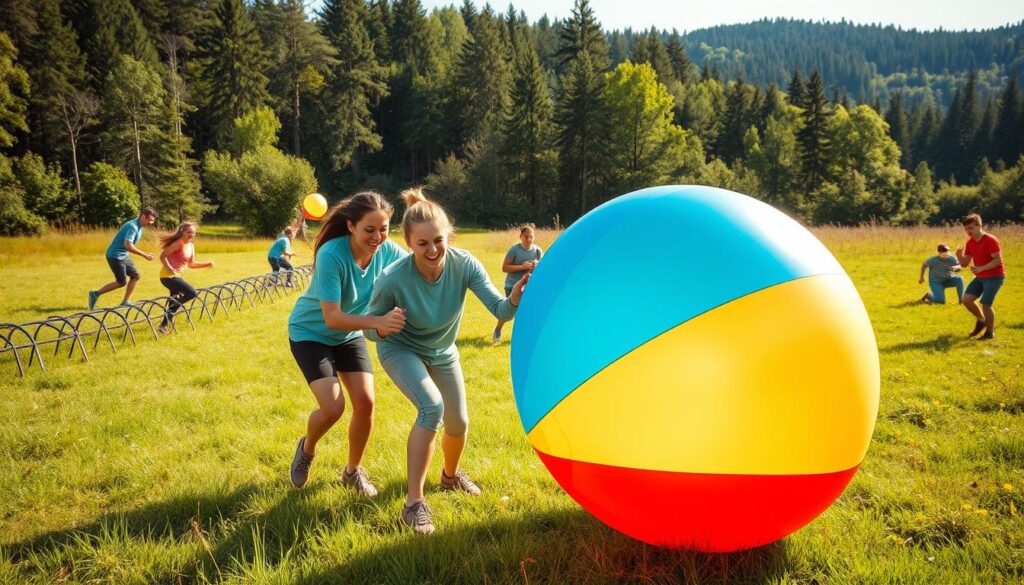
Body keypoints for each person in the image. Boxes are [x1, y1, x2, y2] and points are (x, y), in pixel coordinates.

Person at [365, 188, 528, 535]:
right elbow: (369, 327)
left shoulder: (463, 263)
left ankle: (450, 478)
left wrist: (513, 297)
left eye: (438, 240)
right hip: (401, 348)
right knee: (431, 408)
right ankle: (413, 505)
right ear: (409, 243)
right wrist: (381, 326)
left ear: (448, 236)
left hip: (442, 350)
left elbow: (499, 310)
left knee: (459, 423)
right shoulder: (393, 278)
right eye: (422, 244)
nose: (433, 250)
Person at [287, 192, 408, 495]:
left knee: (366, 403)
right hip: (310, 333)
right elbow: (332, 317)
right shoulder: (332, 254)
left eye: (384, 229)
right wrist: (378, 322)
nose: (378, 237)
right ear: (351, 226)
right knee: (332, 408)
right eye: (370, 230)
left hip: (350, 333)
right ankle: (308, 448)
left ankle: (352, 472)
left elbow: (417, 266)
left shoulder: (387, 251)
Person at [88, 207, 158, 310]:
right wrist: (144, 255)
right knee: (121, 282)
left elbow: (129, 246)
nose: (151, 223)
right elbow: (128, 245)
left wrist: (145, 253)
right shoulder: (133, 226)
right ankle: (95, 294)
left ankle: (125, 301)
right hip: (115, 256)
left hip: (123, 255)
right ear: (143, 216)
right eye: (150, 220)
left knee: (135, 276)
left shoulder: (139, 227)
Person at [157, 222, 214, 335]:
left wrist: (206, 264)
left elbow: (191, 264)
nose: (191, 234)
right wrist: (169, 267)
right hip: (168, 276)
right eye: (189, 232)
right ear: (183, 232)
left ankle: (163, 325)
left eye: (193, 233)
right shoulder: (178, 243)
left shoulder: (191, 246)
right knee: (191, 292)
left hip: (176, 276)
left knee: (173, 299)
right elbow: (163, 255)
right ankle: (170, 314)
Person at [956, 213, 1006, 340]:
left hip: (995, 276)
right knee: (966, 300)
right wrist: (959, 255)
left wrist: (981, 268)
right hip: (980, 276)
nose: (968, 231)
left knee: (986, 304)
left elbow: (998, 260)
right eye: (966, 229)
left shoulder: (991, 240)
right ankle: (981, 320)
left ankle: (989, 333)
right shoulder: (970, 243)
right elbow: (964, 263)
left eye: (971, 228)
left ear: (980, 226)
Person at [493, 223, 543, 341]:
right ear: (520, 236)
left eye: (531, 237)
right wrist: (522, 266)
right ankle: (498, 329)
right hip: (512, 286)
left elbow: (541, 270)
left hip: (528, 287)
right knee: (508, 312)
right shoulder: (514, 249)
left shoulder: (537, 251)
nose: (529, 239)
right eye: (526, 236)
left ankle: (520, 337)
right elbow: (505, 268)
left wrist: (536, 266)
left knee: (525, 312)